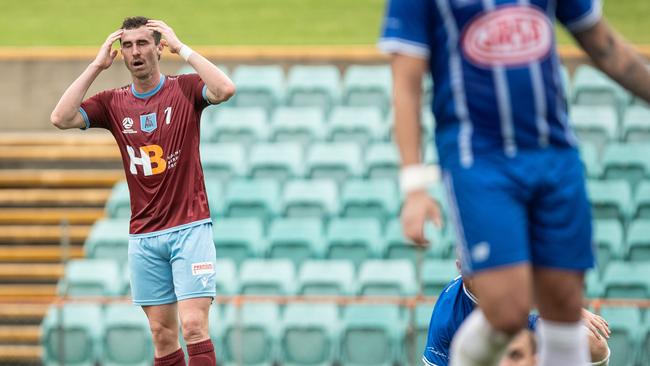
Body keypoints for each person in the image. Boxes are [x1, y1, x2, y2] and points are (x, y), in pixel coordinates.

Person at [379, 0, 650, 365]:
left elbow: (604, 45)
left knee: (565, 311)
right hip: (479, 159)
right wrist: (414, 186)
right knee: (507, 312)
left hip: (554, 153)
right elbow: (406, 82)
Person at [51, 16, 235, 366]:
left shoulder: (184, 89)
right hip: (144, 235)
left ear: (159, 48)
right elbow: (61, 117)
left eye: (143, 43)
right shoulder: (112, 103)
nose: (135, 52)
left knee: (194, 325)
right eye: (128, 46)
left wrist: (183, 48)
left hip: (189, 227)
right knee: (162, 336)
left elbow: (225, 89)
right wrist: (96, 65)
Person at [422, 263, 610, 366]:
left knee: (595, 345)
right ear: (460, 267)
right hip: (481, 343)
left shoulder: (505, 272)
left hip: (518, 322)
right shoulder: (447, 318)